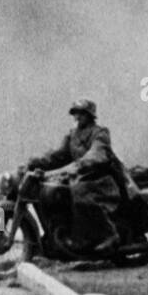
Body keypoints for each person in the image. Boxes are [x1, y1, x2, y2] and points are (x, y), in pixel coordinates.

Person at [27, 99, 126, 253]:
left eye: (81, 114)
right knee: (50, 192)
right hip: (80, 177)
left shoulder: (100, 133)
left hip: (101, 180)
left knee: (80, 192)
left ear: (90, 115)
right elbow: (58, 156)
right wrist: (37, 162)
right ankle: (56, 233)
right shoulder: (72, 135)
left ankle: (109, 235)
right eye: (75, 113)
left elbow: (97, 154)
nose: (77, 117)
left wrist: (77, 166)